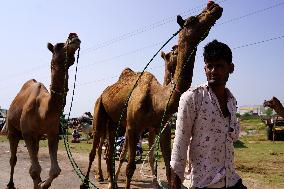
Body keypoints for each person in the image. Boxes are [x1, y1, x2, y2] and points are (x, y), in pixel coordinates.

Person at [170, 40, 247, 189]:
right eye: (209, 66)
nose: (213, 70)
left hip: (230, 179)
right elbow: (180, 143)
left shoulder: (232, 101)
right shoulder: (192, 98)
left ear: (230, 68)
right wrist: (175, 183)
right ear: (204, 68)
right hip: (203, 183)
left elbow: (232, 136)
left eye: (219, 66)